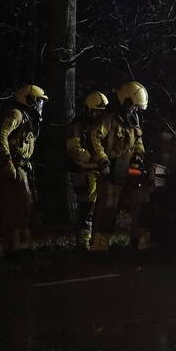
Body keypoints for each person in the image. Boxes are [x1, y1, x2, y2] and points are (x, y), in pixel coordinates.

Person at [89, 81, 152, 252]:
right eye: (134, 107)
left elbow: (139, 141)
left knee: (140, 203)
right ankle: (100, 245)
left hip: (129, 169)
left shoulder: (133, 120)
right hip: (112, 169)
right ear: (126, 101)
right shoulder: (109, 119)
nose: (136, 110)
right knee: (109, 207)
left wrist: (138, 155)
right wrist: (103, 160)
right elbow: (95, 137)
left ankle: (139, 241)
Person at [0, 84, 47, 256]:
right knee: (20, 206)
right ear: (29, 99)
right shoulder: (16, 114)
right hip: (14, 165)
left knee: (25, 206)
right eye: (38, 101)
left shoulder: (27, 117)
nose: (40, 105)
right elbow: (2, 134)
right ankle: (14, 247)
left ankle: (20, 246)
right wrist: (7, 161)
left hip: (23, 165)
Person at [65, 91, 108, 251]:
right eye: (97, 111)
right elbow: (74, 149)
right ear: (88, 109)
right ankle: (83, 242)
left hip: (97, 171)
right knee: (87, 206)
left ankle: (94, 240)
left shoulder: (100, 126)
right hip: (82, 171)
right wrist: (93, 158)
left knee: (98, 207)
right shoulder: (77, 126)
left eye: (102, 112)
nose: (99, 115)